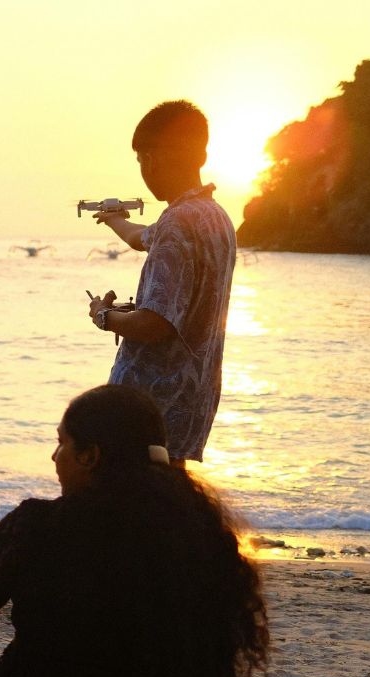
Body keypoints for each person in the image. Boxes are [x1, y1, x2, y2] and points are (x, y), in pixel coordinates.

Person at [0, 385, 269, 677]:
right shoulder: (199, 533)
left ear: (90, 456)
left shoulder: (39, 525)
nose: (54, 457)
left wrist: (2, 591)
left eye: (62, 443)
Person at [89, 99, 236, 465]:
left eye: (141, 160)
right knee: (169, 492)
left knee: (130, 492)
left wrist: (104, 316)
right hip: (190, 399)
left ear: (152, 159)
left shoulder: (178, 222)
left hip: (147, 406)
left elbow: (154, 324)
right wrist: (113, 218)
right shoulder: (214, 216)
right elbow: (141, 237)